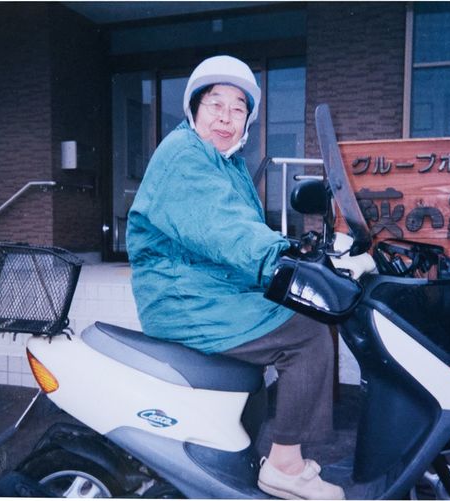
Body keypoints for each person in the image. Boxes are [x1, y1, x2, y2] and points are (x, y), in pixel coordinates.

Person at [126, 55, 344, 500]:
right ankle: (285, 466)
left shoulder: (229, 164)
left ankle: (234, 461)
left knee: (287, 324)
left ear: (247, 119)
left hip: (212, 291)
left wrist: (304, 252)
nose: (226, 118)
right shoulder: (184, 155)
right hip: (184, 298)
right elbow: (223, 229)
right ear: (194, 109)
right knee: (308, 332)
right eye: (215, 105)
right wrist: (281, 258)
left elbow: (245, 228)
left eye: (238, 108)